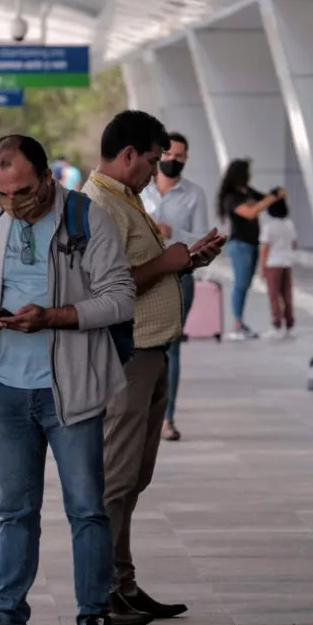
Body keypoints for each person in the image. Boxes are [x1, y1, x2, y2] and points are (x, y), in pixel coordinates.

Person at [0, 134, 136, 625]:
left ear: (48, 177)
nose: (13, 203)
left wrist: (54, 316)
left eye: (24, 192)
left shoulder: (86, 218)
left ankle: (96, 623)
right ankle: (8, 623)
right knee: (14, 512)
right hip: (6, 391)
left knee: (86, 510)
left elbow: (120, 297)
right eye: (3, 193)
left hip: (70, 391)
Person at [83, 111, 224, 625]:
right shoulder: (99, 204)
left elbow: (146, 265)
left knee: (134, 477)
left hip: (152, 350)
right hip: (127, 354)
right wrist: (169, 263)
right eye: (150, 160)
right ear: (127, 155)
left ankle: (124, 582)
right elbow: (108, 285)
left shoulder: (128, 198)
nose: (156, 171)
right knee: (116, 480)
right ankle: (104, 593)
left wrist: (187, 259)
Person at [141, 131, 209, 441]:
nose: (172, 160)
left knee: (172, 348)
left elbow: (203, 240)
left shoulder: (194, 194)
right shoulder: (139, 190)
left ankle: (167, 418)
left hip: (179, 276)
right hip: (142, 276)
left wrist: (173, 231)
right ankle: (140, 414)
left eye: (179, 156)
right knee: (140, 346)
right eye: (167, 155)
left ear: (186, 159)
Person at [217, 159, 286, 340]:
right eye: (247, 172)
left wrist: (275, 195)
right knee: (240, 284)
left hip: (252, 243)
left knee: (246, 284)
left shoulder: (247, 191)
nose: (250, 175)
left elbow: (264, 201)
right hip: (240, 245)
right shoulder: (231, 197)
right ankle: (237, 324)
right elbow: (250, 212)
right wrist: (271, 198)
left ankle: (241, 323)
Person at [259, 192, 297, 339]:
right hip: (287, 262)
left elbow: (265, 248)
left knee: (274, 296)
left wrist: (262, 267)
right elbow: (294, 244)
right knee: (287, 295)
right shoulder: (289, 224)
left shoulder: (269, 226)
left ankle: (276, 324)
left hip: (273, 263)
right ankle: (290, 325)